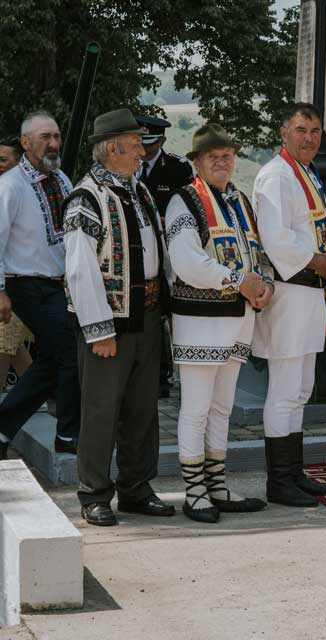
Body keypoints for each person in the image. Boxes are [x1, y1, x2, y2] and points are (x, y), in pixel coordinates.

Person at [63, 108, 174, 526]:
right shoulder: (86, 198)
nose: (142, 154)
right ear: (112, 148)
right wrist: (98, 330)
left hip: (146, 318)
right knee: (101, 410)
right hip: (109, 325)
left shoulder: (137, 191)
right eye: (135, 147)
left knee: (143, 410)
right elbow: (80, 269)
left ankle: (136, 488)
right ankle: (93, 494)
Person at [166, 124, 270, 522]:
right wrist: (239, 281)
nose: (223, 162)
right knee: (195, 408)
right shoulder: (185, 201)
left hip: (237, 320)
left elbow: (255, 254)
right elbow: (188, 263)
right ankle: (194, 491)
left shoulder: (240, 200)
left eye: (228, 155)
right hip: (199, 321)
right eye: (214, 157)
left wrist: (266, 285)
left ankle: (217, 484)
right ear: (197, 162)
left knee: (222, 408)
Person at [252, 103, 326, 505]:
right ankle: (279, 481)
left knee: (303, 388)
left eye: (315, 131)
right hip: (289, 291)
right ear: (283, 131)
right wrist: (316, 262)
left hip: (310, 292)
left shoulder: (304, 172)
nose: (310, 138)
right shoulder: (275, 176)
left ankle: (295, 472)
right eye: (302, 130)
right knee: (285, 390)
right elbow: (276, 239)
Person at [0, 112, 81, 459]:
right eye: (45, 137)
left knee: (51, 359)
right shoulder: (10, 185)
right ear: (25, 143)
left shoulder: (62, 178)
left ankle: (2, 430)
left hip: (58, 285)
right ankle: (68, 434)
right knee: (71, 351)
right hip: (25, 284)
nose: (53, 143)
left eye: (57, 136)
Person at [136, 114, 194, 399]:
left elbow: (189, 203)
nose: (144, 150)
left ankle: (177, 370)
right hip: (139, 249)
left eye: (150, 143)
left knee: (172, 307)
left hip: (171, 247)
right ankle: (157, 372)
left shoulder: (177, 168)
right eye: (141, 142)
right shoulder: (129, 164)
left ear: (161, 141)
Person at [0, 137, 33, 392]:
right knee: (13, 346)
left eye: (3, 160)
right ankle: (38, 397)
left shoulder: (25, 192)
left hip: (14, 283)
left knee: (3, 344)